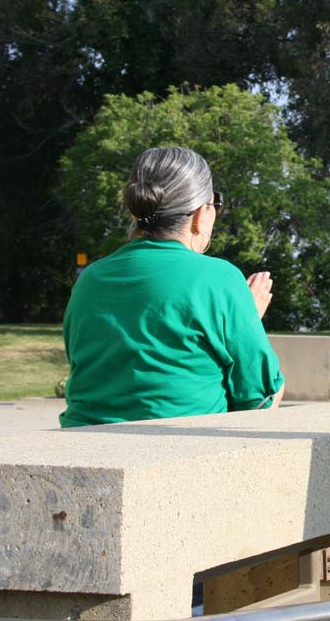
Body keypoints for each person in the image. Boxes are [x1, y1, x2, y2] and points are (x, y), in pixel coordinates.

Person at [61, 146, 285, 427]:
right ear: (200, 215)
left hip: (84, 445)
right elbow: (259, 398)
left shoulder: (90, 280)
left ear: (135, 210)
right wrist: (247, 317)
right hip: (179, 452)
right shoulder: (219, 279)